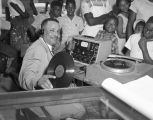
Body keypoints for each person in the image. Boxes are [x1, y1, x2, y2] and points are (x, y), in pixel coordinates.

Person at [19, 18, 86, 120]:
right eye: (51, 30)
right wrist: (37, 81)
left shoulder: (45, 45)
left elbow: (52, 62)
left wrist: (67, 51)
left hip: (47, 94)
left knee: (78, 95)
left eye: (58, 31)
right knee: (81, 109)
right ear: (42, 31)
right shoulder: (36, 49)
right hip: (39, 100)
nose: (56, 34)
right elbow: (26, 77)